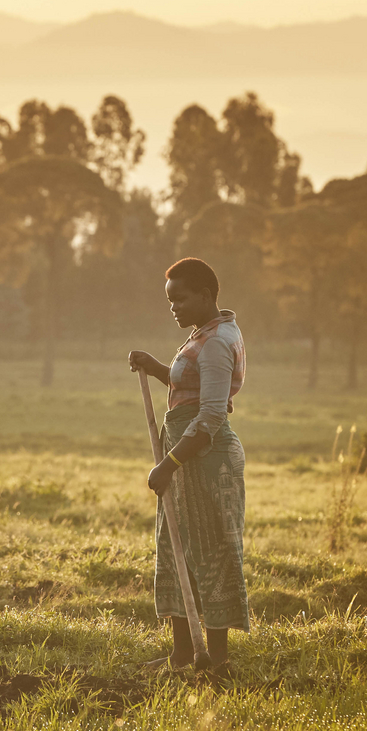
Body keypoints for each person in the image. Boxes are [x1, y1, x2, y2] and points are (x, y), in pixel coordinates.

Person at [127, 257, 249, 670]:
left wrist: (169, 464)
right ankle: (181, 654)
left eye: (180, 299)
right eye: (169, 301)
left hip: (204, 457)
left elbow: (210, 417)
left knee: (209, 554)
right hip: (185, 454)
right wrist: (154, 366)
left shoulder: (216, 343)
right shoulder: (204, 334)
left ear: (205, 295)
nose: (173, 307)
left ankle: (214, 659)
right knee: (177, 546)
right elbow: (188, 388)